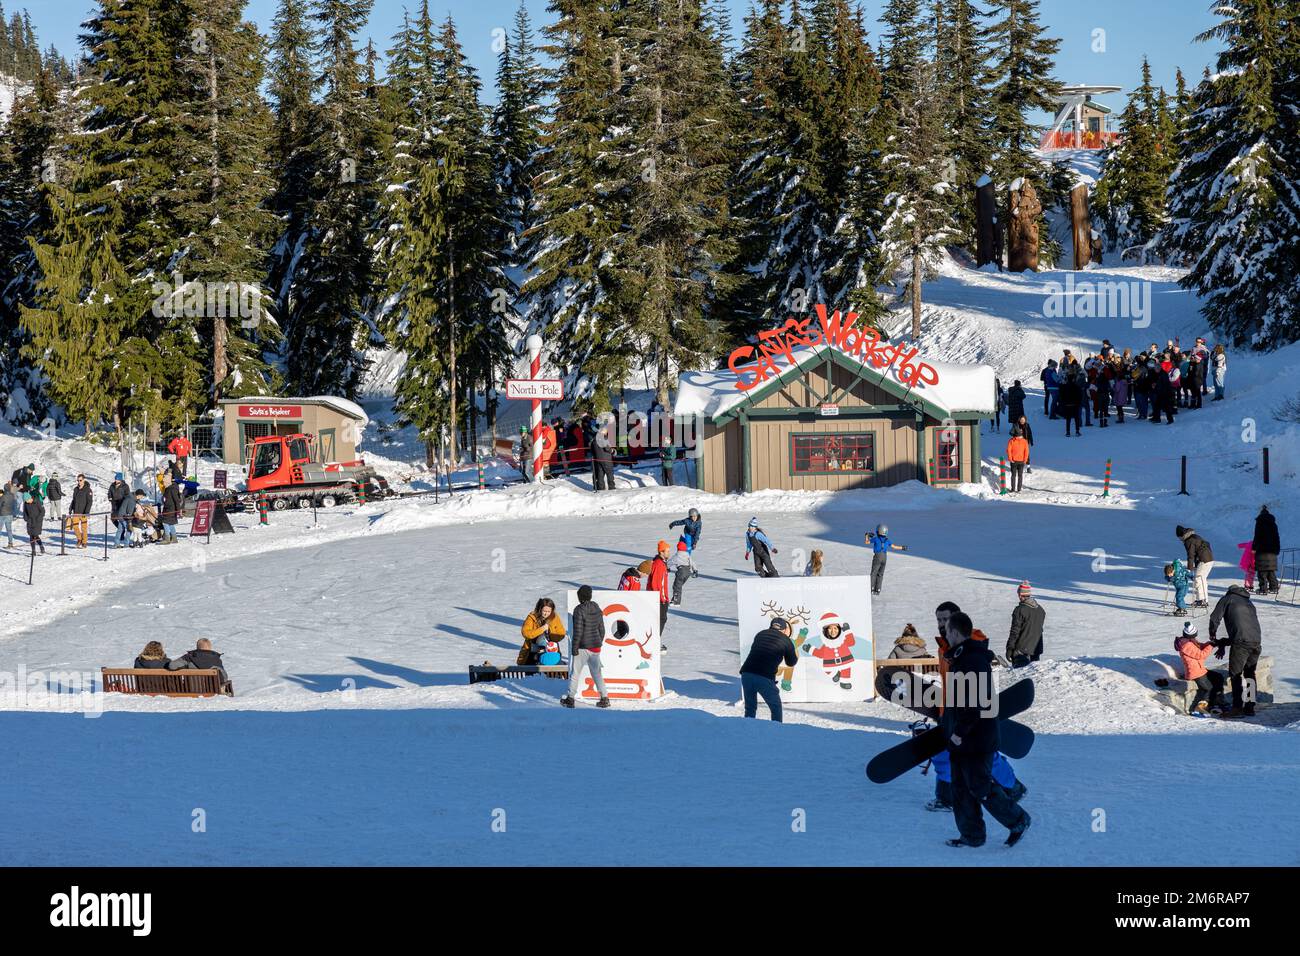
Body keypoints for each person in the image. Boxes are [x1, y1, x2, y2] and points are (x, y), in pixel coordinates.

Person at [940, 612, 1031, 848]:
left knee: (980, 787)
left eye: (947, 630)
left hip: (976, 738)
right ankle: (971, 836)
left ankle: (1018, 820)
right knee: (960, 789)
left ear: (956, 632)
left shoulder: (973, 660)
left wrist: (959, 731)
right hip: (962, 738)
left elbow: (975, 702)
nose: (945, 634)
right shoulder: (962, 658)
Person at [1209, 585, 1262, 717]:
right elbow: (1243, 630)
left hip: (1241, 644)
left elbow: (1215, 617)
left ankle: (1237, 707)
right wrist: (1223, 642)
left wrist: (1213, 634)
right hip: (1256, 642)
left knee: (1235, 675)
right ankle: (1250, 706)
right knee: (1250, 673)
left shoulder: (1228, 598)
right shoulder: (1249, 602)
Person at [740, 616, 797, 722]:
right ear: (784, 630)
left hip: (746, 673)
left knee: (750, 708)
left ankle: (747, 732)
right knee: (775, 708)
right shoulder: (786, 640)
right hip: (764, 677)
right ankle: (776, 732)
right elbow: (791, 662)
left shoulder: (760, 634)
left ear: (771, 627)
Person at [561, 585, 609, 708]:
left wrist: (574, 648)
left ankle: (570, 699)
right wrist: (598, 641)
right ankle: (604, 698)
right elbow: (602, 629)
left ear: (580, 597)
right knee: (597, 673)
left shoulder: (579, 610)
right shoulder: (597, 608)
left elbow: (578, 631)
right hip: (596, 647)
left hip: (583, 646)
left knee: (575, 673)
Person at [1176, 621, 1224, 717]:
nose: (1195, 637)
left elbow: (1200, 647)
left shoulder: (1190, 641)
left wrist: (1209, 644)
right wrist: (1210, 646)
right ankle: (1200, 708)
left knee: (1218, 677)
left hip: (1200, 670)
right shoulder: (1186, 645)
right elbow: (1200, 655)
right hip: (1195, 672)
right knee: (1207, 688)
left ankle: (1216, 703)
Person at [1005, 580, 1045, 667]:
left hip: (1022, 651)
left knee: (1021, 674)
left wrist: (1010, 648)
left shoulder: (1019, 610)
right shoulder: (1041, 610)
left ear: (1020, 594)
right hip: (1036, 649)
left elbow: (1015, 632)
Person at [518, 598, 567, 666]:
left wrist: (551, 632)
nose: (546, 613)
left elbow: (561, 634)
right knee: (532, 671)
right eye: (544, 611)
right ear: (540, 609)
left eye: (549, 611)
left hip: (551, 651)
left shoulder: (555, 617)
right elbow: (526, 633)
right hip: (533, 651)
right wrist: (542, 629)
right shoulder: (532, 617)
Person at [1176, 525, 1214, 608]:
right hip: (1209, 559)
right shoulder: (1194, 536)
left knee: (1198, 579)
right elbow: (1207, 544)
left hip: (1204, 560)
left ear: (1182, 535)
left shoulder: (1188, 541)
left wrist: (1189, 568)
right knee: (1202, 579)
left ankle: (1201, 600)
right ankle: (1204, 599)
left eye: (1179, 538)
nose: (1180, 540)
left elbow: (1191, 555)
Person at [865, 524, 907, 594]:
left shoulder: (876, 539)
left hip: (877, 556)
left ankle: (871, 588)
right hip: (884, 557)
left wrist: (866, 536)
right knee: (880, 574)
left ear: (878, 531)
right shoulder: (887, 540)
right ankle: (878, 589)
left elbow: (866, 542)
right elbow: (894, 547)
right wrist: (902, 547)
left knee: (874, 573)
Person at [648, 540, 671, 651]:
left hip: (659, 597)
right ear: (661, 552)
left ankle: (655, 641)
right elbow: (656, 583)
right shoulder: (659, 564)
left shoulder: (660, 563)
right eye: (667, 551)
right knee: (660, 620)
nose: (669, 553)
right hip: (659, 599)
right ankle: (654, 642)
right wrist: (662, 598)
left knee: (661, 619)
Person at [1251, 505, 1280, 595]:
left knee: (1262, 571)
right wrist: (1277, 549)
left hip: (1261, 550)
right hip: (1272, 551)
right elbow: (1276, 537)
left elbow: (1257, 536)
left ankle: (1263, 589)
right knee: (1271, 570)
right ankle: (1274, 587)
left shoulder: (1259, 523)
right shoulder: (1273, 524)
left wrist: (1254, 548)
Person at [590, 413, 615, 491]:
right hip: (606, 458)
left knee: (600, 475)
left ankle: (601, 488)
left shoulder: (594, 439)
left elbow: (592, 449)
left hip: (598, 458)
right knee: (609, 473)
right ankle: (612, 487)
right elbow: (606, 447)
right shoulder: (602, 437)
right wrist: (613, 450)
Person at [1058, 363, 1083, 437]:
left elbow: (1061, 395)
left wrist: (1063, 403)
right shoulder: (1076, 386)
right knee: (1076, 418)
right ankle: (1077, 431)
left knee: (1068, 419)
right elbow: (1079, 395)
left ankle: (1068, 432)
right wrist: (1079, 403)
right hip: (1075, 404)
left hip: (1067, 404)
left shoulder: (1064, 386)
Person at [69, 474, 93, 549]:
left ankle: (84, 542)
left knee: (84, 528)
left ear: (84, 480)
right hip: (76, 511)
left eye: (80, 480)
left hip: (83, 512)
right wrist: (70, 508)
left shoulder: (88, 490)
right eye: (78, 480)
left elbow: (89, 502)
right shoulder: (76, 489)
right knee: (75, 526)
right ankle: (79, 539)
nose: (79, 482)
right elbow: (74, 500)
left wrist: (86, 512)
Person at [108, 473, 131, 548]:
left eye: (117, 479)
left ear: (121, 479)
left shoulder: (125, 486)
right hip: (114, 505)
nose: (116, 480)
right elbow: (109, 493)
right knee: (113, 519)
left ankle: (122, 534)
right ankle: (121, 530)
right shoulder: (112, 486)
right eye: (115, 479)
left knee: (121, 520)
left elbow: (127, 496)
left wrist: (124, 502)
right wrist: (110, 498)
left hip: (122, 506)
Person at [669, 540, 694, 606]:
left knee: (676, 586)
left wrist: (666, 567)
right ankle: (674, 600)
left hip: (681, 571)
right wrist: (695, 570)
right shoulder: (687, 555)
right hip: (688, 572)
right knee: (678, 586)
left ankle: (676, 602)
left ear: (678, 548)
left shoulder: (677, 555)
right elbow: (692, 562)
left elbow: (671, 562)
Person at [161, 475, 184, 544]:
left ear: (168, 481)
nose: (163, 483)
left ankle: (167, 539)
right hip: (167, 508)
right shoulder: (167, 488)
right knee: (170, 523)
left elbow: (176, 500)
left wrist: (179, 510)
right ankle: (174, 538)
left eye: (164, 482)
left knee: (165, 523)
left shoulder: (172, 489)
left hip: (170, 509)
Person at [1006, 428, 1029, 493]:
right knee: (1020, 475)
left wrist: (1010, 459)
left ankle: (1013, 489)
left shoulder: (1011, 441)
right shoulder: (1025, 441)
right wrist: (1025, 460)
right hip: (1021, 461)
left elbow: (1008, 450)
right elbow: (1026, 452)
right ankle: (1019, 489)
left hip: (1013, 461)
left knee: (1013, 475)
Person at [22, 491, 45, 555]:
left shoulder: (37, 501)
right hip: (30, 521)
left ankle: (41, 545)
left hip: (37, 521)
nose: (27, 502)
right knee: (31, 535)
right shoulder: (26, 503)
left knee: (35, 535)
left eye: (27, 500)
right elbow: (25, 512)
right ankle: (33, 550)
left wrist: (39, 518)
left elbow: (42, 511)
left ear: (30, 498)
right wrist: (26, 518)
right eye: (25, 501)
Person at [0, 481, 16, 549]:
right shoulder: (12, 495)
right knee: (9, 530)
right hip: (10, 514)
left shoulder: (3, 497)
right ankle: (10, 543)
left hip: (2, 514)